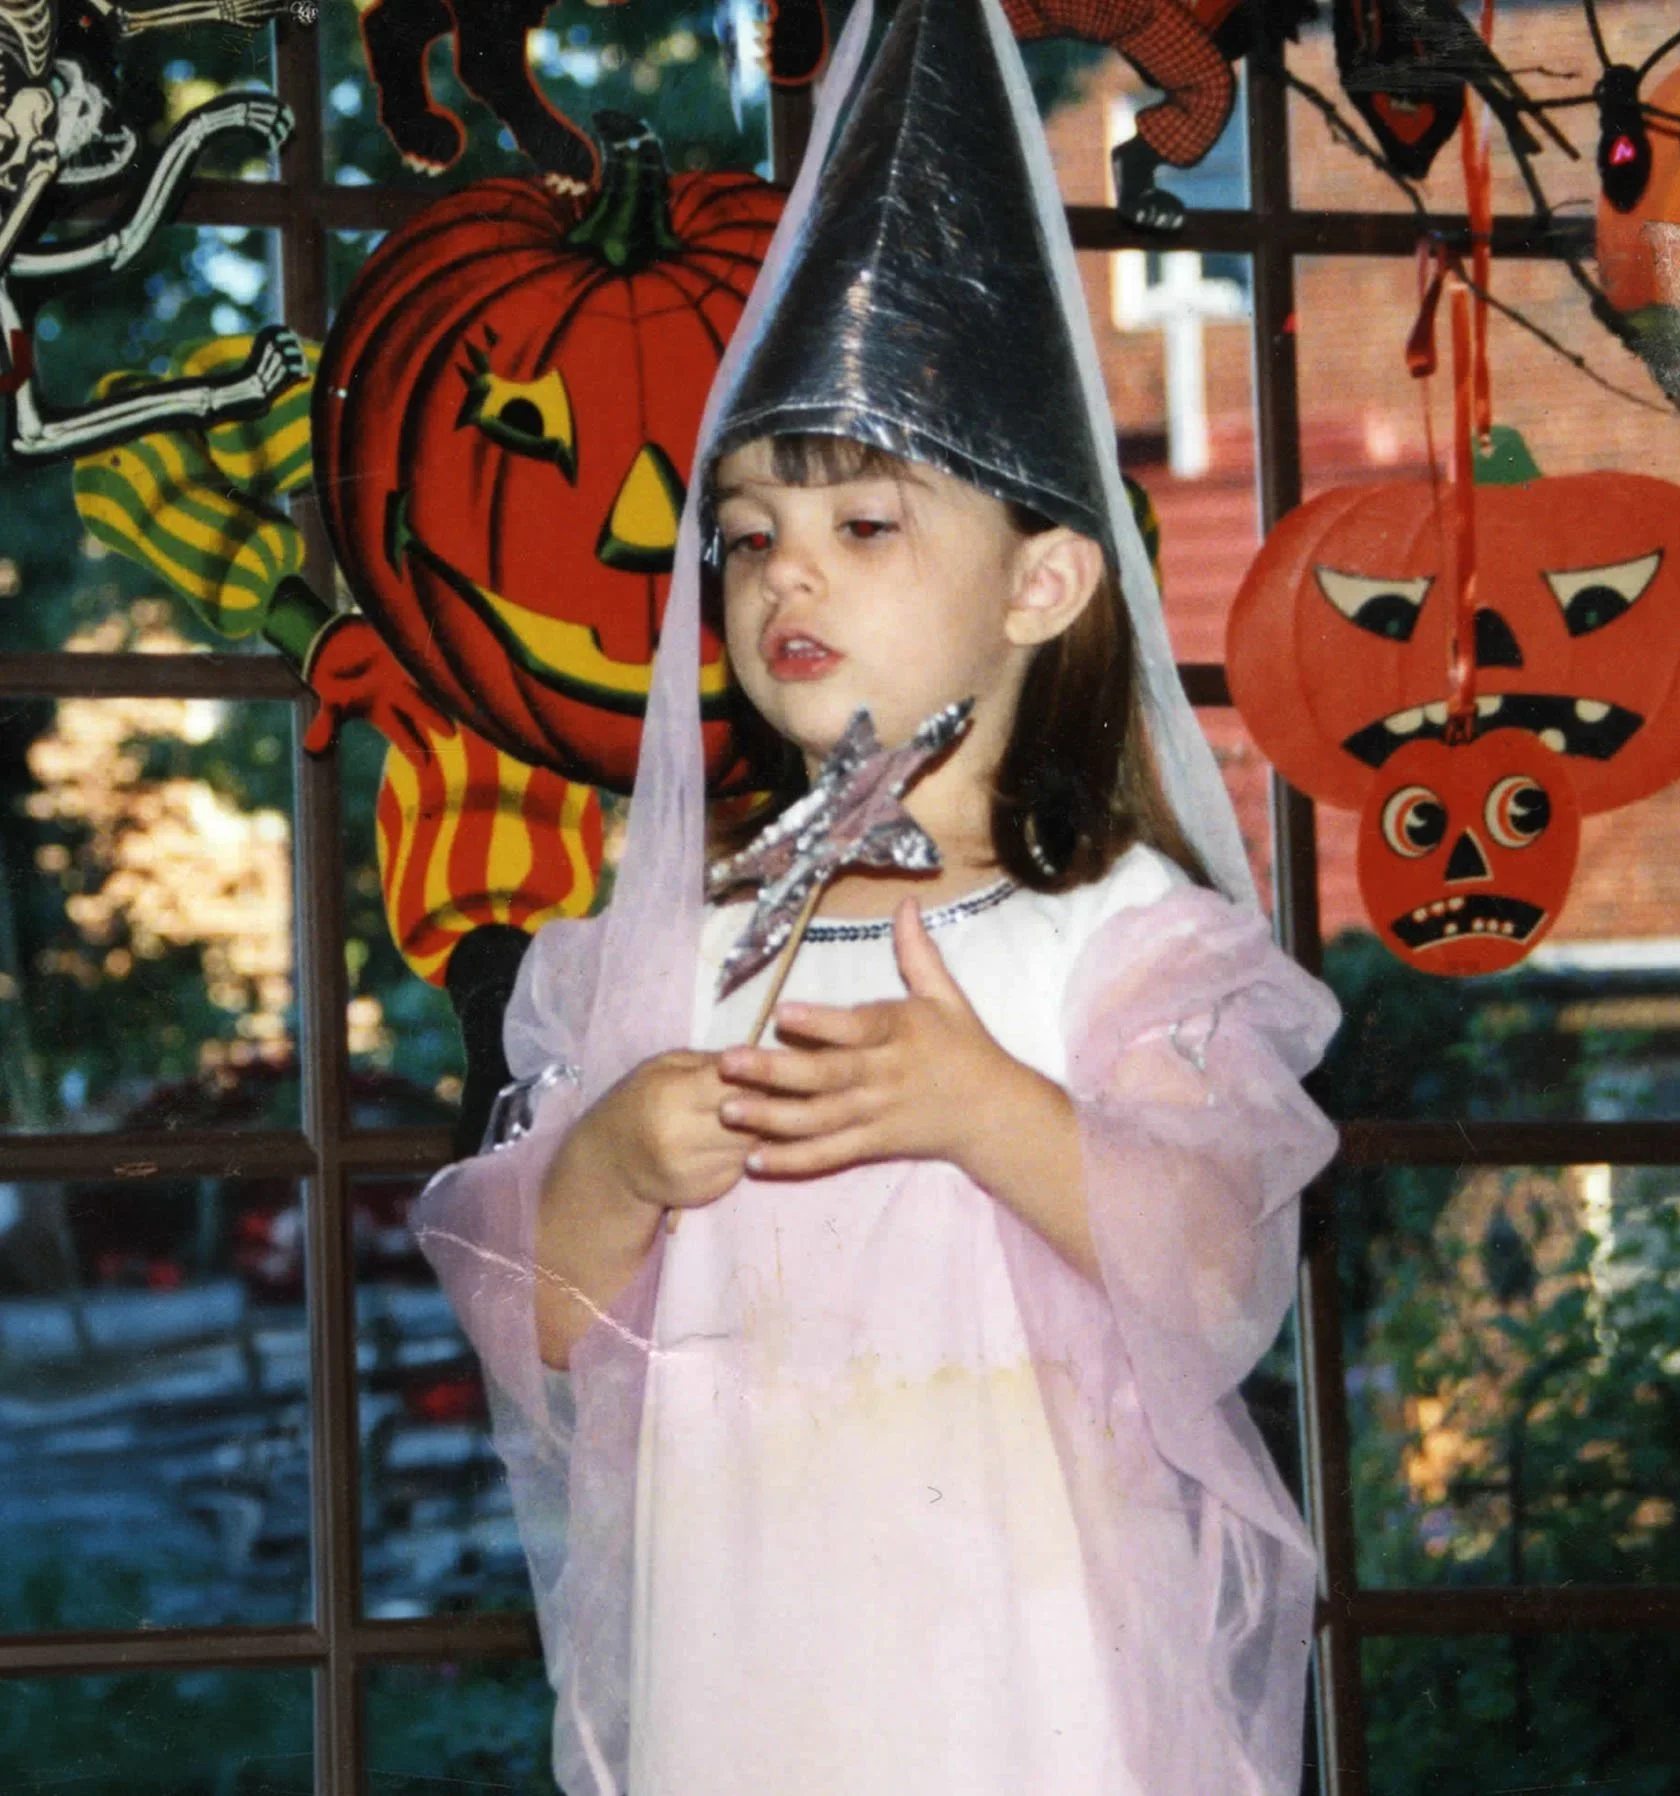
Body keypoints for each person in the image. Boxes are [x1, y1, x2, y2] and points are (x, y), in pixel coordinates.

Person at [413, 3, 1340, 1793]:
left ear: (1046, 577)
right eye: (750, 534)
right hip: (742, 1662)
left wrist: (987, 1110)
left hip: (1028, 1667)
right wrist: (605, 1167)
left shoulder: (1120, 943)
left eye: (865, 525)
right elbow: (529, 1328)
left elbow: (1226, 1277)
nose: (785, 577)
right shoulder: (662, 959)